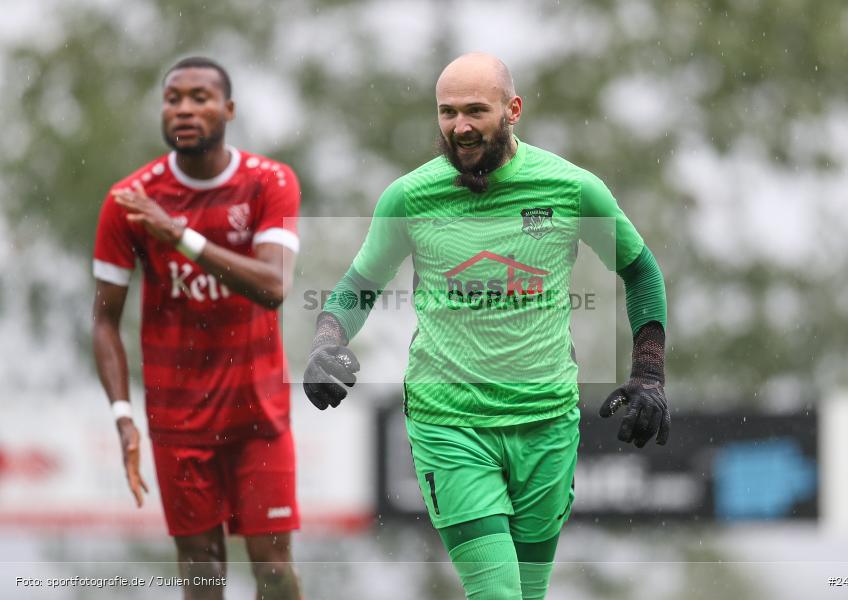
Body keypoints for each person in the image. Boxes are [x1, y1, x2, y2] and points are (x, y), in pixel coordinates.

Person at [303, 53, 669, 600]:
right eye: (448, 113)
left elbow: (641, 272)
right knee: (496, 593)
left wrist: (648, 376)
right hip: (450, 424)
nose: (461, 126)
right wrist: (326, 342)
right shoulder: (409, 197)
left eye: (476, 110)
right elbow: (358, 285)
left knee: (526, 594)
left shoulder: (571, 188)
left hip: (546, 421)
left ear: (513, 109)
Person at [92, 56, 302, 600]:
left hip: (258, 414)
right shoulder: (131, 201)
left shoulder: (269, 182)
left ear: (228, 109)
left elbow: (274, 285)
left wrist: (179, 236)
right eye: (173, 98)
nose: (184, 108)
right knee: (202, 570)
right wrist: (122, 416)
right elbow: (103, 323)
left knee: (274, 571)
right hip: (178, 420)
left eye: (200, 97)